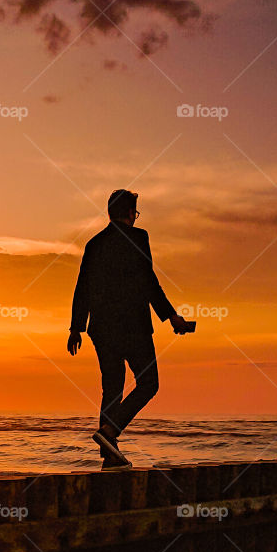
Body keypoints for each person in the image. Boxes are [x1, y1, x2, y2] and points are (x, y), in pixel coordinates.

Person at [68, 189, 190, 468]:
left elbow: (82, 287)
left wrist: (76, 328)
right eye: (135, 212)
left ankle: (109, 457)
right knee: (149, 383)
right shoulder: (138, 238)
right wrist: (171, 317)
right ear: (130, 214)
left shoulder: (94, 244)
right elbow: (148, 281)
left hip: (101, 329)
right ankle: (110, 432)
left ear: (109, 213)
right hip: (133, 326)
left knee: (111, 389)